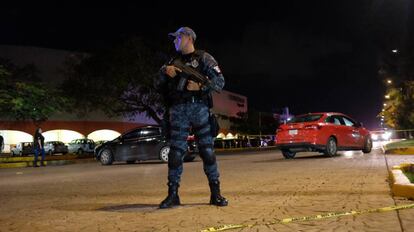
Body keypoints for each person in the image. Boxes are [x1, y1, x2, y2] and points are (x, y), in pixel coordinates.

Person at [154, 26, 228, 208]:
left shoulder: (204, 58)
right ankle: (173, 195)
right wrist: (165, 72)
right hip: (178, 110)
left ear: (187, 37)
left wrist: (201, 87)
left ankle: (215, 194)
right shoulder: (173, 61)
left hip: (199, 108)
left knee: (207, 152)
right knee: (175, 154)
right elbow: (157, 84)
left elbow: (220, 82)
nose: (174, 41)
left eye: (177, 37)